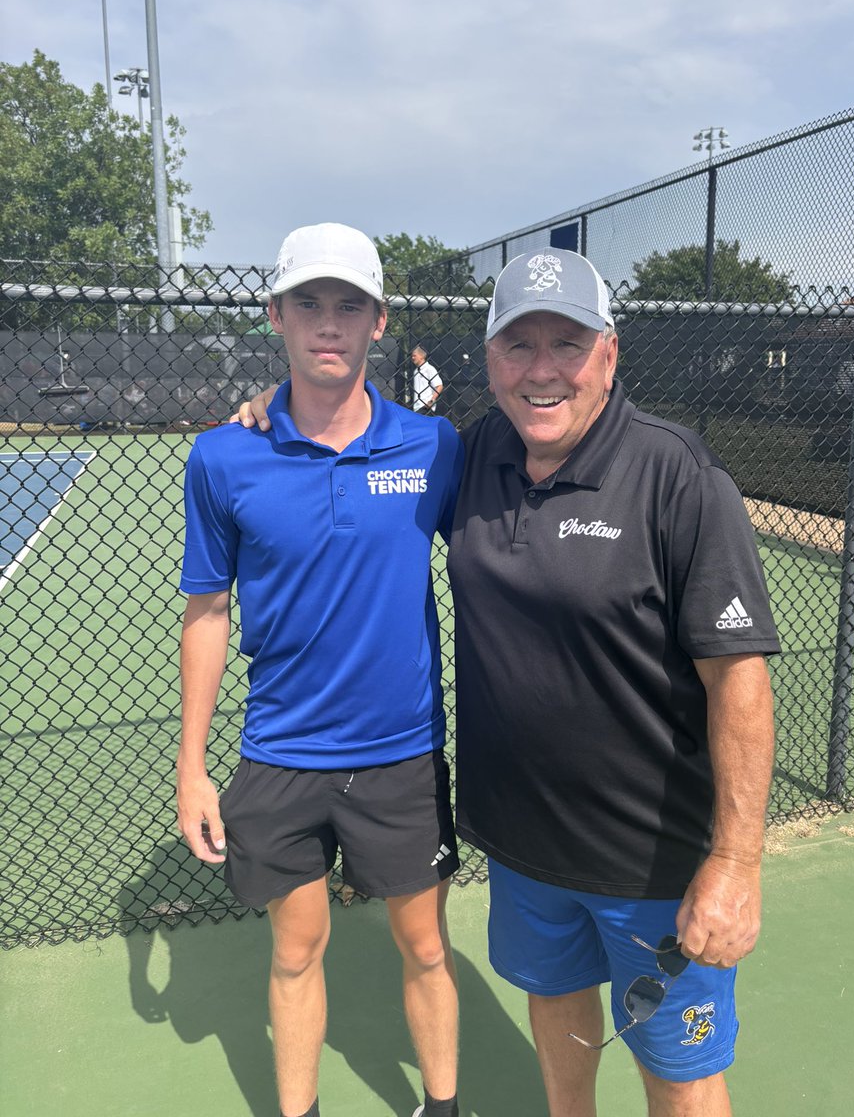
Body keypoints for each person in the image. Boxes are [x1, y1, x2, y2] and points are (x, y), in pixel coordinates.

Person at [236, 246, 781, 1117]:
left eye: (566, 344)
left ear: (608, 353)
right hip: (526, 849)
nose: (541, 371)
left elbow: (740, 681)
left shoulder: (675, 474)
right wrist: (282, 408)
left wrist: (736, 861)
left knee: (681, 1079)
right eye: (517, 347)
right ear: (488, 361)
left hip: (653, 859)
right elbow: (363, 450)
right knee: (560, 1030)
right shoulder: (475, 453)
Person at [177, 222, 465, 1117]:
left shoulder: (434, 448)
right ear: (277, 317)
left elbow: (506, 547)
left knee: (425, 949)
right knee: (296, 951)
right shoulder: (226, 454)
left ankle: (444, 1108)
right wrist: (191, 767)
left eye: (350, 305)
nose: (329, 323)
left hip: (401, 754)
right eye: (309, 303)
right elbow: (208, 613)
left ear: (380, 322)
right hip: (281, 754)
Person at [411, 345, 444, 413]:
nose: (412, 358)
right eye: (412, 356)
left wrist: (431, 401)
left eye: (414, 355)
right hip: (416, 408)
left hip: (426, 407)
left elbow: (439, 386)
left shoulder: (429, 369)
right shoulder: (415, 371)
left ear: (422, 356)